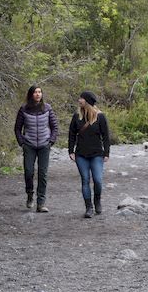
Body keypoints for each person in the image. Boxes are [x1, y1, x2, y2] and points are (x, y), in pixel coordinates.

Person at [14, 85, 58, 212]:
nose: (38, 94)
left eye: (40, 92)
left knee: (43, 174)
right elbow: (17, 128)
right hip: (29, 145)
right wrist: (22, 142)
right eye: (35, 92)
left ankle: (41, 203)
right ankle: (29, 194)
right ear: (30, 94)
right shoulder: (23, 109)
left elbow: (54, 126)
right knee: (28, 171)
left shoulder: (48, 108)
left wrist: (51, 141)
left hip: (44, 145)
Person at [68, 91, 111, 219]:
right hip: (81, 155)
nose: (79, 100)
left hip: (97, 154)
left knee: (98, 180)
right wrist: (71, 151)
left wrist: (106, 153)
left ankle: (97, 201)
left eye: (81, 98)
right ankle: (89, 208)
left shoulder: (100, 117)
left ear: (87, 101)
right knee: (85, 180)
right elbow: (71, 134)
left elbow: (106, 136)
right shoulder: (76, 116)